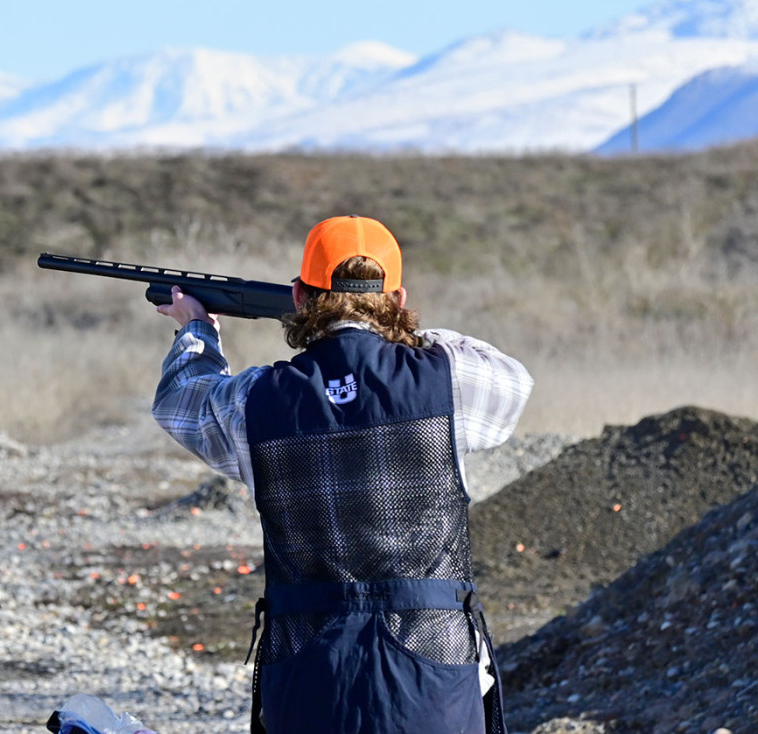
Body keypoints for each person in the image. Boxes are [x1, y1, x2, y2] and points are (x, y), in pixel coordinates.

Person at [152, 215, 532, 734]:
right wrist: (407, 336)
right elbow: (514, 379)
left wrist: (196, 328)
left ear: (299, 296)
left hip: (309, 673)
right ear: (397, 298)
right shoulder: (448, 377)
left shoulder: (258, 399)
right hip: (433, 672)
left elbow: (181, 401)